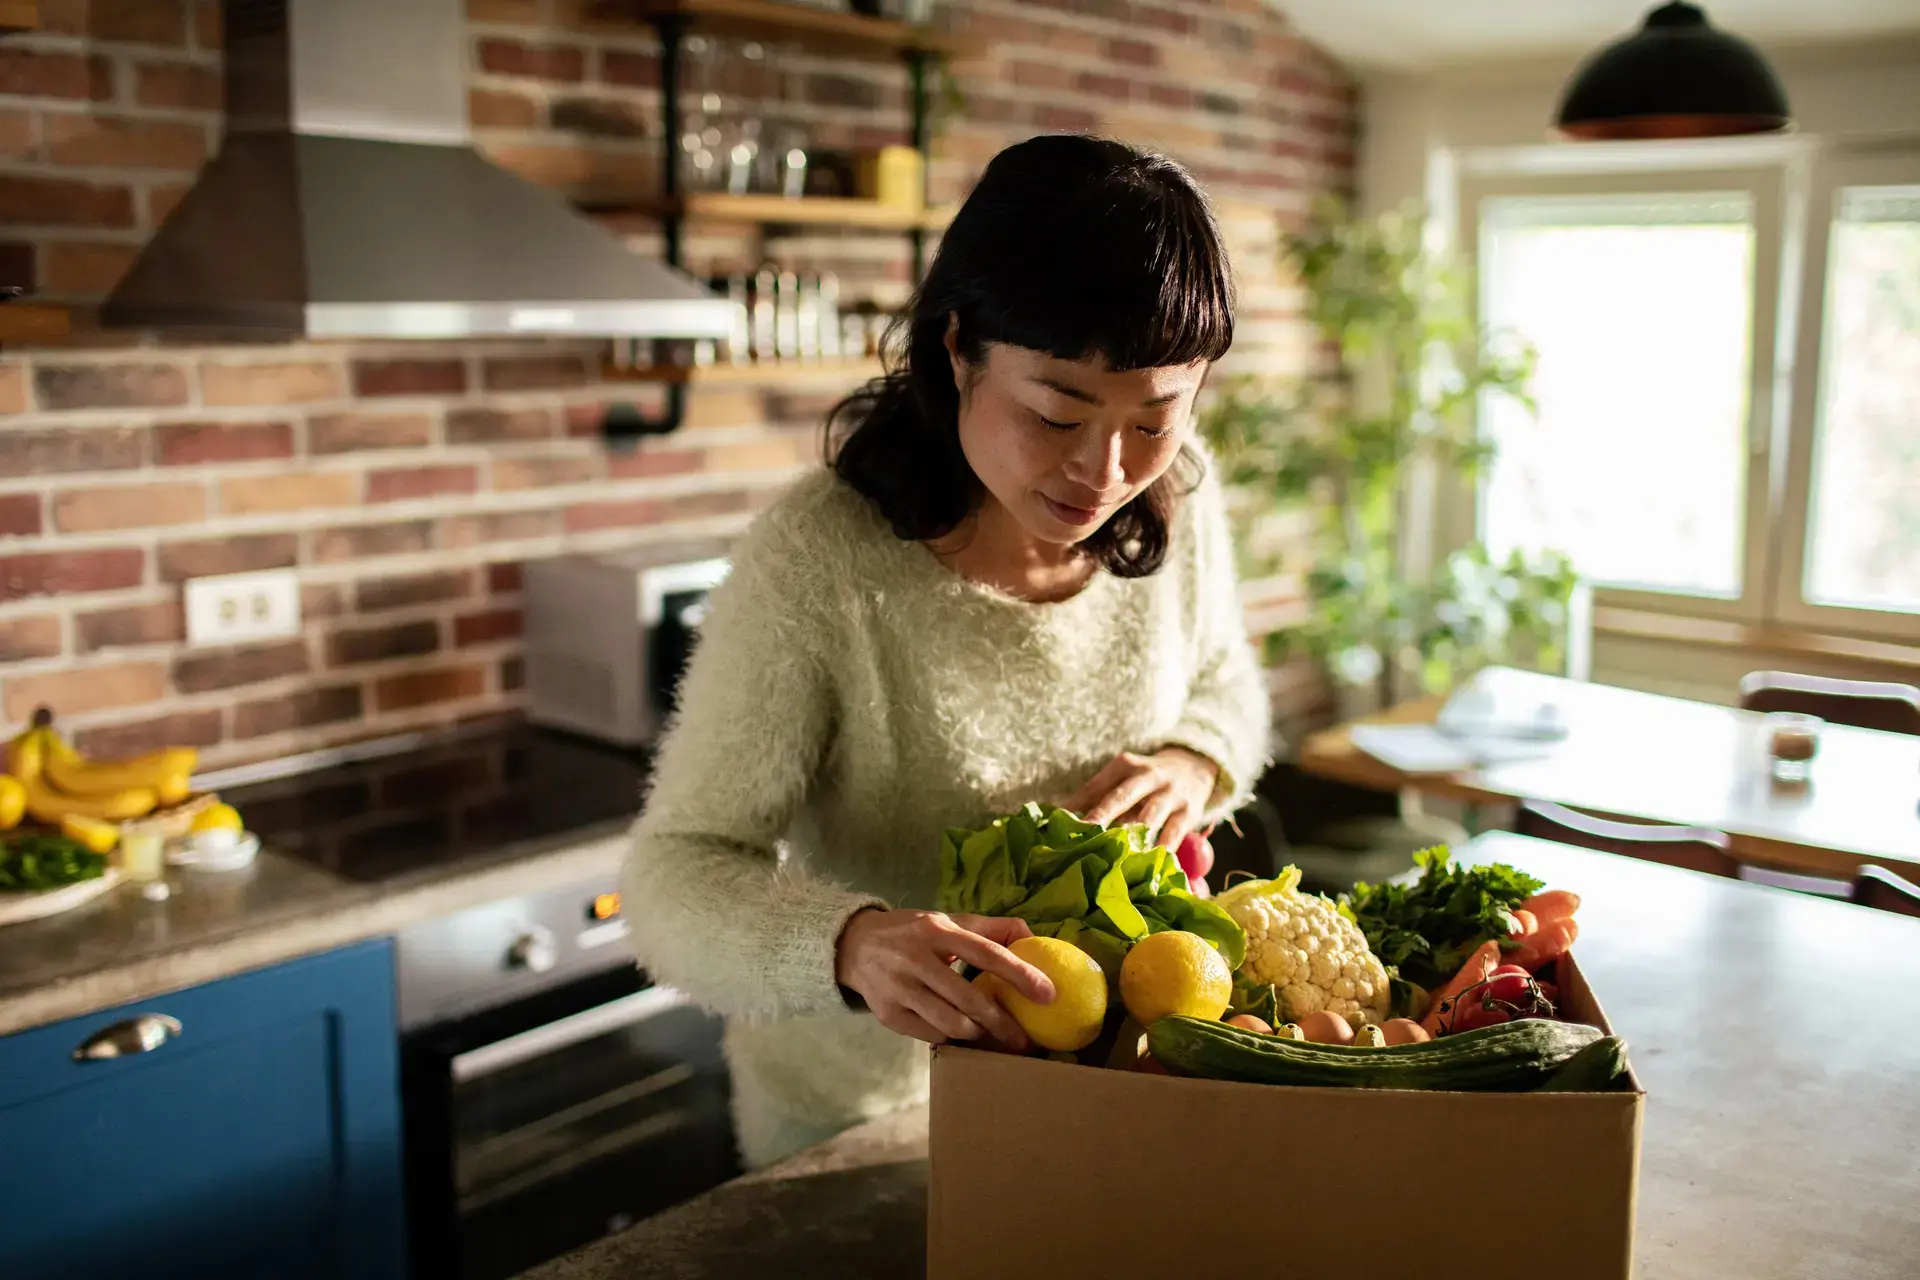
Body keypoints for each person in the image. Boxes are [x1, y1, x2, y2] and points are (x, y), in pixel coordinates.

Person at [625, 134, 1272, 1169]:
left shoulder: (1180, 495)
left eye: (1155, 417)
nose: (1105, 470)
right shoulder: (821, 557)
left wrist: (1196, 759)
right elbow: (673, 872)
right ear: (959, 348)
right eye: (1056, 412)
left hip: (1119, 1087)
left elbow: (1227, 684)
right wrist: (847, 943)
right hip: (865, 1122)